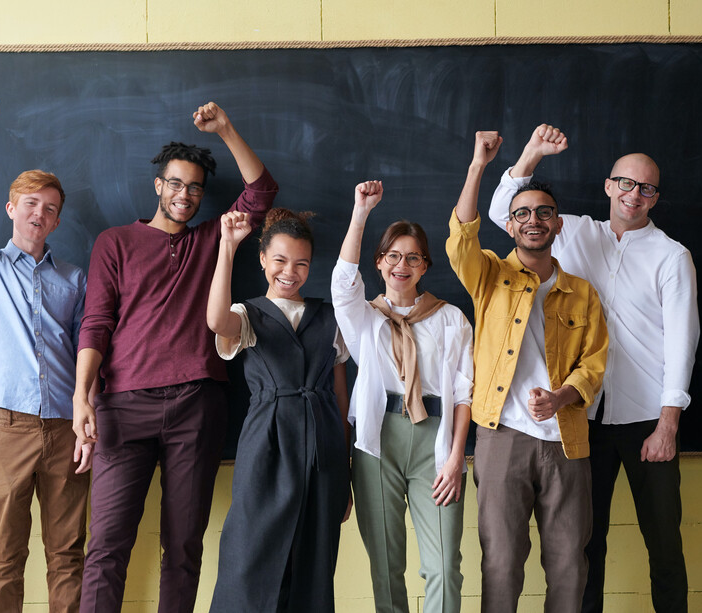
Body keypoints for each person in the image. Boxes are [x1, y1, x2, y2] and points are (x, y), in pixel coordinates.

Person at [73, 102, 278, 612]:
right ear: (158, 186)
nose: (185, 195)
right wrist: (83, 396)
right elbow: (96, 321)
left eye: (195, 188)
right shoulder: (115, 242)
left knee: (183, 546)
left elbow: (262, 193)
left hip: (196, 404)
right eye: (176, 184)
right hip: (122, 406)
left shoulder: (213, 239)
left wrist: (227, 128)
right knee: (106, 546)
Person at [489, 124, 698, 612]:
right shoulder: (572, 231)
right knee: (585, 548)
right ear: (609, 187)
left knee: (665, 546)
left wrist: (669, 423)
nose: (634, 194)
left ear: (655, 198)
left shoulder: (672, 256)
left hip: (649, 419)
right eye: (625, 183)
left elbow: (683, 345)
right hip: (582, 419)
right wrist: (531, 155)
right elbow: (505, 212)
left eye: (646, 188)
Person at [450, 131, 608, 611]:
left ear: (558, 224)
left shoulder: (582, 292)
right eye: (522, 214)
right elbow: (460, 237)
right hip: (501, 437)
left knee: (568, 563)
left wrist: (562, 397)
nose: (533, 220)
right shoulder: (489, 275)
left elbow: (595, 361)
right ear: (510, 225)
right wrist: (478, 164)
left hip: (567, 438)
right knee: (500, 560)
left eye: (543, 213)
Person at [0, 90, 91, 613]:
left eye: (50, 208)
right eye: (31, 203)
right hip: (5, 428)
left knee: (67, 555)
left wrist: (87, 415)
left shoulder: (74, 280)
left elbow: (87, 352)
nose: (40, 213)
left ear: (57, 222)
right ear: (11, 209)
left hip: (64, 428)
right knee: (4, 556)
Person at [331, 180, 474, 613]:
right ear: (379, 263)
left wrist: (455, 457)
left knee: (445, 567)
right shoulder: (364, 318)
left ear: (425, 266)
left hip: (436, 443)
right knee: (386, 566)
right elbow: (342, 282)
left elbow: (465, 393)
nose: (402, 265)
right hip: (378, 441)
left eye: (412, 257)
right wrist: (361, 213)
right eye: (393, 256)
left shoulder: (451, 319)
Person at [206, 208, 352, 612]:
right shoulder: (248, 314)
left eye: (301, 264)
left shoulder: (329, 318)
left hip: (323, 453)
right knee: (250, 558)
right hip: (267, 448)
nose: (290, 272)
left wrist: (347, 470)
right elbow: (216, 320)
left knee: (314, 563)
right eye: (281, 261)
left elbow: (341, 401)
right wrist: (227, 247)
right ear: (263, 259)